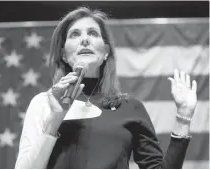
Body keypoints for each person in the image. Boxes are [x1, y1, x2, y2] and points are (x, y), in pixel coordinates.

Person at [15, 7, 198, 169]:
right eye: (75, 34)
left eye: (93, 33)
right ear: (63, 54)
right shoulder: (44, 103)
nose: (84, 39)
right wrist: (55, 118)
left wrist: (183, 118)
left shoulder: (129, 107)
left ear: (106, 52)